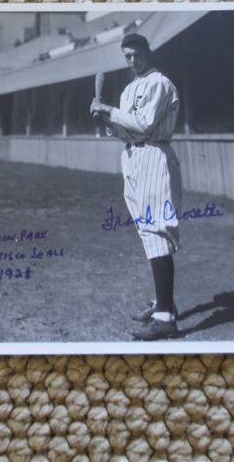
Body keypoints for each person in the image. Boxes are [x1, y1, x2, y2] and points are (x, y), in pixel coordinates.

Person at [90, 33, 183, 341]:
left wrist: (109, 112)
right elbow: (125, 130)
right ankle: (163, 302)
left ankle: (165, 318)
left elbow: (143, 125)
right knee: (147, 231)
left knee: (156, 231)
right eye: (127, 56)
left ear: (148, 52)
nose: (132, 60)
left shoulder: (159, 83)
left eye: (137, 54)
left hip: (154, 155)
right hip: (132, 158)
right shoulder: (130, 88)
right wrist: (104, 118)